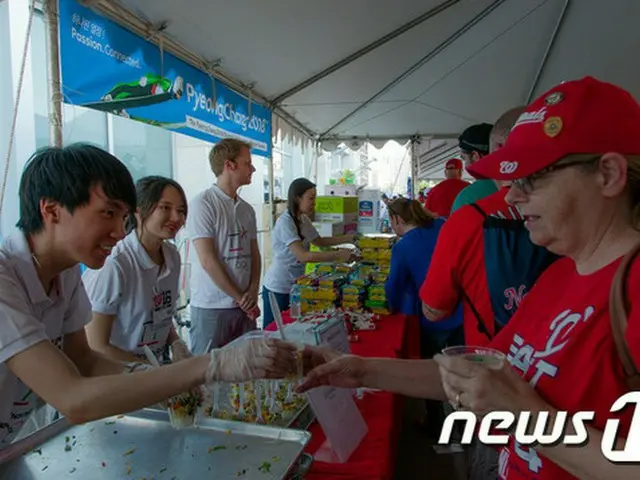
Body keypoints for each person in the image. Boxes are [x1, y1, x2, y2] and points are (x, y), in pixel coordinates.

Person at [299, 76, 640, 480]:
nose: (512, 196)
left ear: (608, 175)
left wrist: (525, 414)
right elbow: (475, 374)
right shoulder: (560, 272)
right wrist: (361, 370)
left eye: (532, 178)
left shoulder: (630, 286)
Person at [0, 144, 300, 448]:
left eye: (122, 216)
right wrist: (210, 366)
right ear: (51, 210)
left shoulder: (64, 272)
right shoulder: (6, 280)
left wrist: (153, 375)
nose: (119, 231)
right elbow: (73, 397)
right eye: (107, 213)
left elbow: (85, 360)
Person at [419, 106, 531, 348]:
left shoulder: (469, 213)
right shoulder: (579, 215)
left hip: (490, 359)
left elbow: (434, 309)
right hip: (557, 360)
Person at [83, 176, 190, 365]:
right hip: (115, 376)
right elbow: (96, 344)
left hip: (152, 372)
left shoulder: (172, 256)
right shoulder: (116, 264)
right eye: (165, 208)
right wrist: (147, 371)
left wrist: (175, 342)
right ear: (138, 211)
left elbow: (160, 314)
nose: (176, 217)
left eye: (181, 211)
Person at [383, 197, 463, 437]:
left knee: (433, 370)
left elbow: (393, 287)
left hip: (433, 316)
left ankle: (436, 423)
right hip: (463, 311)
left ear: (396, 220)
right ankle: (468, 420)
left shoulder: (403, 246)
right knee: (463, 368)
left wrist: (391, 308)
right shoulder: (441, 225)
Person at [187, 138, 261, 353]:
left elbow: (254, 254)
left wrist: (253, 290)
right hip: (212, 306)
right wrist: (241, 298)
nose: (253, 168)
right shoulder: (203, 203)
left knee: (245, 371)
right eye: (247, 163)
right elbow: (208, 260)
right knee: (208, 374)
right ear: (229, 165)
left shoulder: (247, 209)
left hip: (244, 307)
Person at [262, 178, 356, 327]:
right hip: (278, 287)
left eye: (315, 198)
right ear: (297, 198)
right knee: (273, 333)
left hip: (297, 285)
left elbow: (319, 241)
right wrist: (338, 255)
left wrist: (349, 238)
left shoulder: (303, 219)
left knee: (293, 329)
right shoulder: (285, 222)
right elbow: (303, 256)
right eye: (311, 198)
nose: (314, 202)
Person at [450, 122, 498, 213]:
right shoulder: (523, 189)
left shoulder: (467, 198)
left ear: (475, 156)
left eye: (464, 158)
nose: (465, 165)